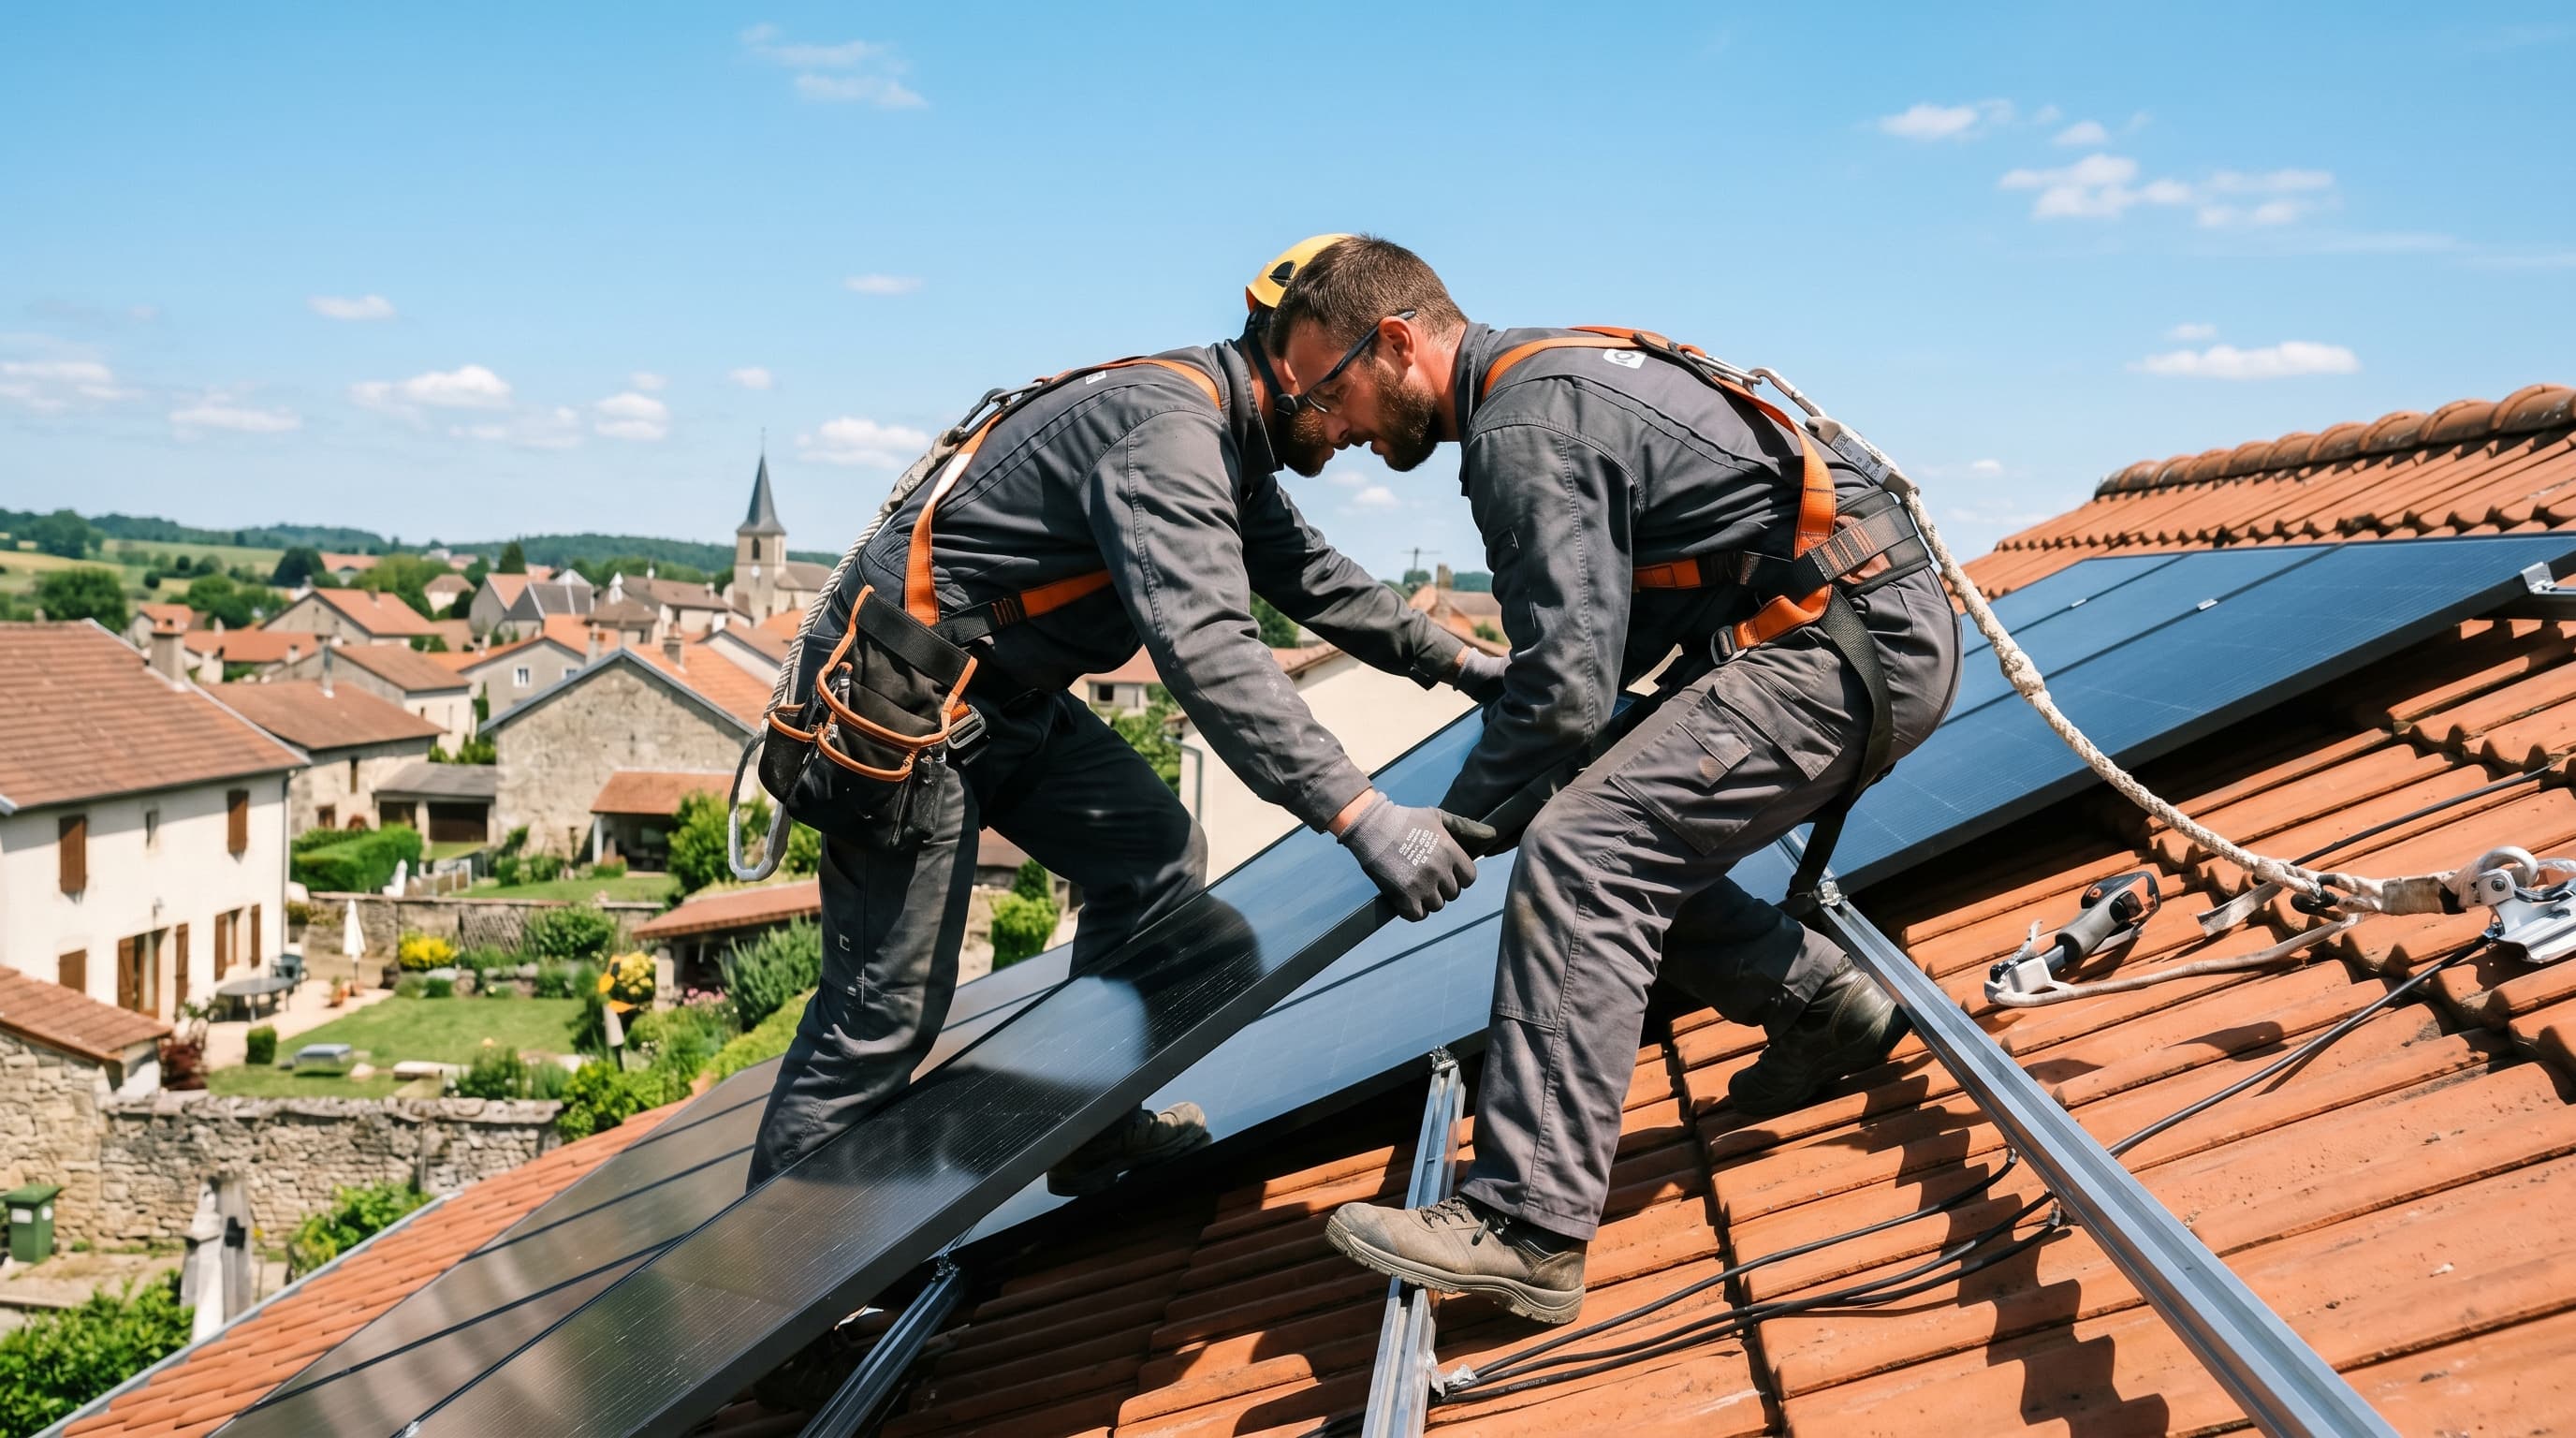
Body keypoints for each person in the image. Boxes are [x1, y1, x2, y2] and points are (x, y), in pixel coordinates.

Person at [1267, 237, 1961, 1323]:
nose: (1336, 425)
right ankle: (1820, 1007)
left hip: (1843, 643)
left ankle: (1528, 1225)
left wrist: (1449, 826)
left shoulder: (1519, 428)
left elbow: (1567, 694)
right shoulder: (1544, 376)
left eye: (1332, 388)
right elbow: (1592, 654)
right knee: (1583, 800)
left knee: (1583, 851)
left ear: (1397, 341)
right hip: (1844, 627)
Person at [747, 238, 1507, 1196]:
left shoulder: (1224, 440)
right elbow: (1210, 648)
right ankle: (792, 1293)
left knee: (1152, 860)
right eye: (1358, 398)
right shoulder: (1166, 435)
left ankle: (1086, 1127)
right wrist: (1364, 816)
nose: (1362, 434)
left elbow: (1309, 576)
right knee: (881, 1010)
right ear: (1306, 351)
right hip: (901, 717)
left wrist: (1466, 663)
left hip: (997, 703)